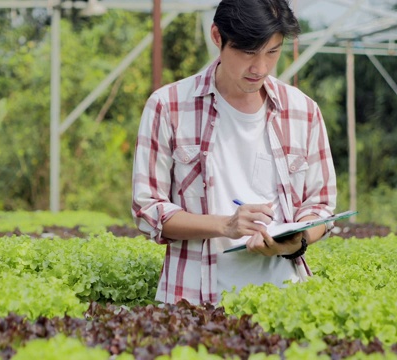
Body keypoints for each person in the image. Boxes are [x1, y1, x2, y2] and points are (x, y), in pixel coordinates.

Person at [131, 0, 337, 305]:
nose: (261, 68)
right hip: (193, 300)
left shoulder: (303, 111)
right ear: (217, 36)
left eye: (272, 52)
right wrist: (224, 225)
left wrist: (295, 241)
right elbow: (147, 210)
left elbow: (321, 207)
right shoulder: (168, 106)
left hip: (286, 300)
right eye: (248, 52)